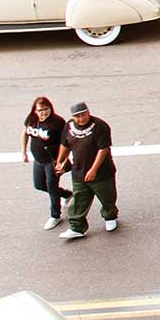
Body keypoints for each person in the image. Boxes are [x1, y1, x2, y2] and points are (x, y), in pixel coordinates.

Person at [56, 101, 117, 241]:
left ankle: (110, 216)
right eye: (77, 116)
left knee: (107, 196)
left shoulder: (100, 126)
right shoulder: (69, 126)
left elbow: (103, 149)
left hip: (101, 172)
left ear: (88, 112)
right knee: (79, 198)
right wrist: (60, 161)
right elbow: (65, 144)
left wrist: (94, 169)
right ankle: (77, 227)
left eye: (83, 115)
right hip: (79, 170)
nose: (81, 119)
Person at [22, 97, 68, 230]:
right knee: (39, 185)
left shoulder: (57, 122)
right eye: (40, 110)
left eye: (46, 109)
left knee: (52, 186)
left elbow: (65, 142)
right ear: (35, 111)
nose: (43, 113)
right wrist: (23, 152)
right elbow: (24, 133)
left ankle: (55, 215)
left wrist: (62, 160)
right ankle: (66, 194)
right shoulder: (31, 119)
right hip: (38, 159)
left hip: (52, 160)